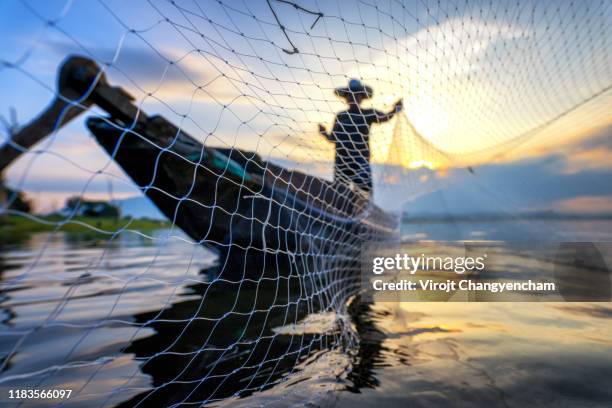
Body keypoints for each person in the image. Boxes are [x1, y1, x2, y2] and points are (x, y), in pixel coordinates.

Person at [319, 79, 403, 195]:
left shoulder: (368, 113)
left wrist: (395, 109)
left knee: (364, 195)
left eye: (356, 94)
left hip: (361, 161)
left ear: (361, 97)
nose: (353, 97)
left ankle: (363, 212)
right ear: (346, 98)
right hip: (341, 161)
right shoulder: (341, 116)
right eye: (350, 95)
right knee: (340, 195)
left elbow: (384, 117)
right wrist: (323, 133)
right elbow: (333, 138)